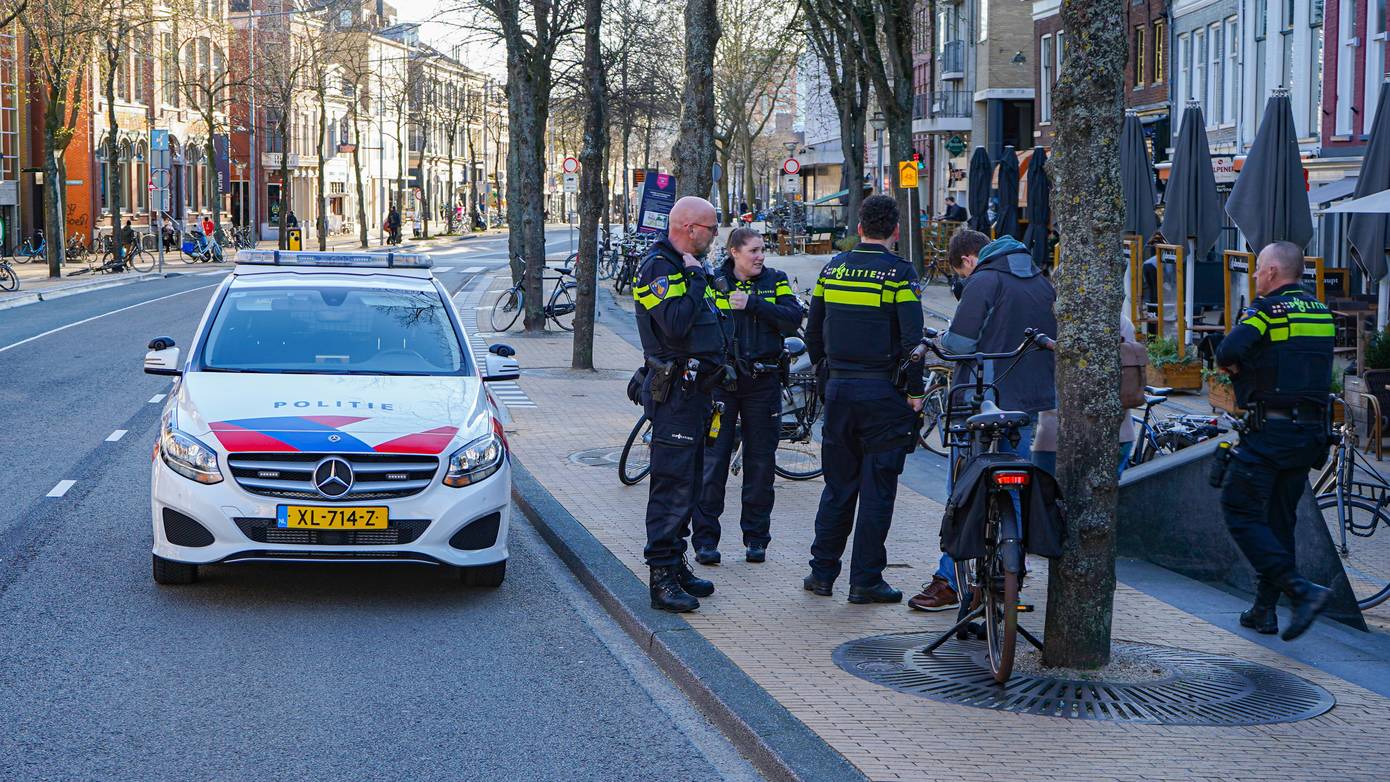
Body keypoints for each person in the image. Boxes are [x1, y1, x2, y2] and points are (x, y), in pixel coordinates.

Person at [909, 228, 1057, 612]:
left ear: (969, 260)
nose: (963, 280)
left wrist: (939, 342)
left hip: (982, 401)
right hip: (1029, 402)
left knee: (961, 489)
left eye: (961, 274)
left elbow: (959, 344)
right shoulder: (1042, 281)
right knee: (1013, 487)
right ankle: (1011, 577)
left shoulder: (984, 280)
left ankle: (949, 579)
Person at [804, 194, 924, 604]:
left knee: (838, 486)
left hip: (839, 392)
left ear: (859, 228)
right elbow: (914, 345)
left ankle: (821, 574)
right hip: (882, 396)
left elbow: (813, 331)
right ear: (894, 231)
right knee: (877, 491)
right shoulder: (899, 275)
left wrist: (826, 375)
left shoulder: (832, 268)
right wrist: (915, 392)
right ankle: (865, 581)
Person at [1215, 240, 1336, 641]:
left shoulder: (1266, 311)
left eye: (1257, 269)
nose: (1253, 276)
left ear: (1270, 273)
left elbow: (1226, 350)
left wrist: (1240, 364)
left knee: (1239, 506)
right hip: (1310, 434)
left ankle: (1300, 590)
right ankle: (1264, 610)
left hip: (1272, 433)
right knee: (1280, 519)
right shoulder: (1322, 311)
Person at [632, 195, 728, 613]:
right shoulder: (660, 267)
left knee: (689, 482)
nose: (714, 236)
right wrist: (693, 279)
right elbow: (673, 324)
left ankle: (678, 563)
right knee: (671, 486)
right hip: (675, 394)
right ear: (689, 228)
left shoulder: (689, 266)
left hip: (697, 392)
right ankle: (662, 578)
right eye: (710, 229)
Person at [692, 227, 803, 566]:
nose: (760, 256)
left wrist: (753, 304)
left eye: (762, 250)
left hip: (763, 383)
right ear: (733, 252)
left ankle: (756, 539)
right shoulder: (713, 282)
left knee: (760, 464)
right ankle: (706, 541)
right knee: (714, 464)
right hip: (723, 385)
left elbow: (793, 318)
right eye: (753, 250)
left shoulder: (775, 280)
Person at [1031, 314, 1140, 477]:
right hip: (1115, 432)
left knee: (1046, 495)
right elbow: (1129, 374)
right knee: (1103, 495)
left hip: (1056, 435)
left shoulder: (1048, 319)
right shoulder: (1119, 320)